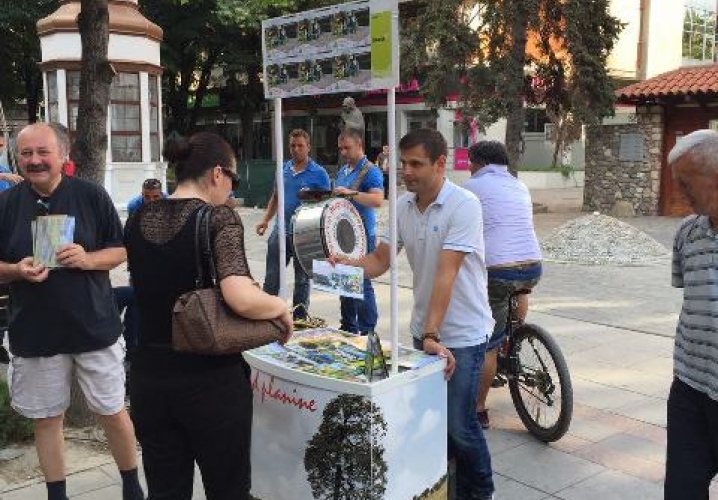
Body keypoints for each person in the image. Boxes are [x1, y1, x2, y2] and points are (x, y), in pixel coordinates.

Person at [124, 132, 293, 500]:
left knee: (165, 491)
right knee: (228, 489)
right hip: (208, 381)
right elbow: (239, 295)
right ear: (218, 173)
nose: (232, 189)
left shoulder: (137, 218)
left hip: (148, 377)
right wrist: (280, 307)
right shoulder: (218, 218)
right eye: (233, 179)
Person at [332, 128, 494, 499]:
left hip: (462, 334)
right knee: (434, 422)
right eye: (402, 163)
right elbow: (380, 260)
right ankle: (444, 488)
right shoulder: (403, 206)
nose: (405, 171)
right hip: (426, 332)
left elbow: (446, 273)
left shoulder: (464, 205)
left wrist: (433, 334)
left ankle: (482, 492)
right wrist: (345, 265)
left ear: (440, 164)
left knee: (460, 425)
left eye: (416, 164)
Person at [0, 123, 143, 500]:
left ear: (64, 155)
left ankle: (132, 488)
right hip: (35, 332)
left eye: (42, 152)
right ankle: (57, 495)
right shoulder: (6, 204)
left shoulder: (91, 195)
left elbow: (121, 249)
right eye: (26, 153)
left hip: (93, 327)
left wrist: (88, 258)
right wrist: (16, 270)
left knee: (112, 410)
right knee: (47, 419)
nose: (34, 160)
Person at [464, 140, 542, 429]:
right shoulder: (519, 186)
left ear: (480, 163)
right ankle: (517, 335)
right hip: (532, 265)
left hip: (497, 270)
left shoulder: (471, 188)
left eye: (471, 163)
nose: (469, 169)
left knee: (489, 343)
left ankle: (478, 409)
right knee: (518, 288)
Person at [665, 129, 718, 499]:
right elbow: (691, 296)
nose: (679, 191)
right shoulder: (687, 233)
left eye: (685, 182)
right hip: (689, 386)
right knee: (682, 489)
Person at [256, 129, 331, 319]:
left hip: (304, 234)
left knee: (302, 280)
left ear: (308, 147)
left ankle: (299, 319)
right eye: (292, 146)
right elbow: (276, 197)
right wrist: (265, 220)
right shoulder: (282, 169)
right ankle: (267, 317)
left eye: (300, 146)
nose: (296, 149)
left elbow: (327, 206)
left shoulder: (319, 174)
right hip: (280, 230)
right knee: (272, 277)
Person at [332, 128, 383, 334]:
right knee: (345, 277)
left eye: (347, 148)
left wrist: (351, 193)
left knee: (361, 279)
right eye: (340, 148)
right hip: (343, 234)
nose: (343, 152)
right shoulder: (343, 170)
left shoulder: (370, 170)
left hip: (362, 235)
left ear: (359, 145)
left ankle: (367, 330)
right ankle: (348, 326)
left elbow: (377, 200)